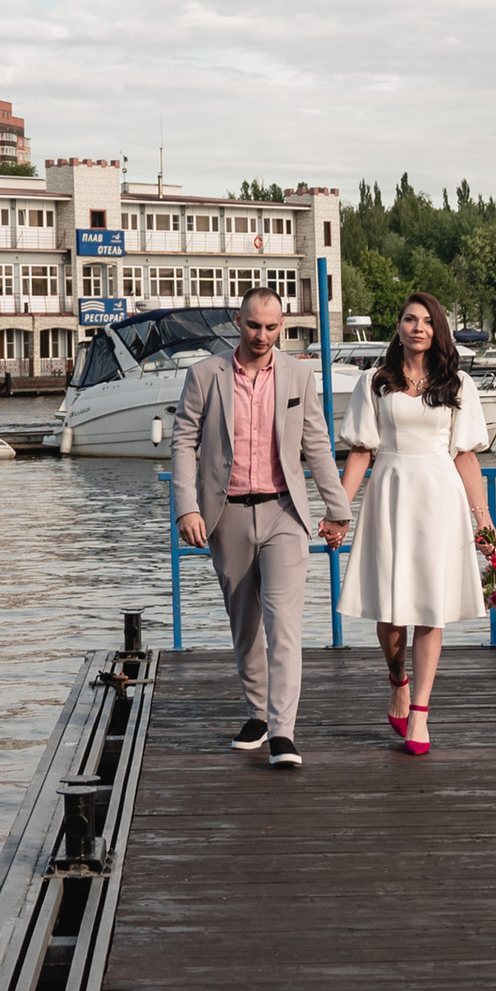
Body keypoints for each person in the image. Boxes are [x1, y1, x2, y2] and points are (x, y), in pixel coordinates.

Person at [172, 287, 351, 770]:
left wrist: (338, 509)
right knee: (244, 623)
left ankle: (283, 732)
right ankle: (257, 714)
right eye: (254, 325)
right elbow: (183, 441)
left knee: (284, 625)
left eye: (272, 328)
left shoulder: (297, 374)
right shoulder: (205, 375)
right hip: (225, 512)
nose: (263, 336)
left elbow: (316, 443)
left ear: (282, 326)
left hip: (284, 513)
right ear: (238, 320)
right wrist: (187, 507)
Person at [337, 292, 496, 758]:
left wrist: (482, 521)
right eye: (410, 319)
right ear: (399, 326)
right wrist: (340, 511)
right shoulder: (375, 381)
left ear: (438, 329)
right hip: (390, 491)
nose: (418, 327)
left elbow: (464, 455)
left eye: (427, 321)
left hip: (440, 496)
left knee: (431, 606)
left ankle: (421, 713)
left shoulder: (457, 383)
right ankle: (397, 679)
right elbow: (361, 451)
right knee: (390, 612)